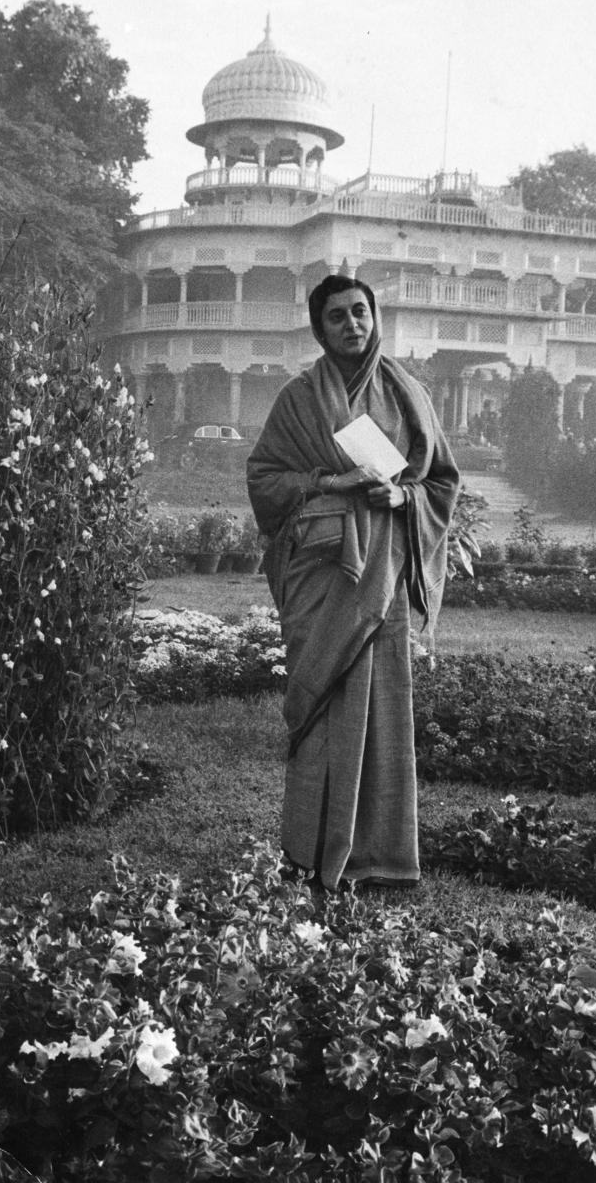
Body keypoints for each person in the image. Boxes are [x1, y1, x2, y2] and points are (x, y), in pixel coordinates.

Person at [246, 276, 460, 890]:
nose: (351, 324)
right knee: (321, 705)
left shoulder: (408, 394)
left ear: (375, 316)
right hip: (321, 574)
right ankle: (308, 850)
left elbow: (442, 482)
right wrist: (325, 481)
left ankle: (380, 854)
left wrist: (402, 493)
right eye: (336, 316)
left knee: (381, 707)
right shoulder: (298, 400)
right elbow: (264, 478)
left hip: (382, 576)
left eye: (360, 312)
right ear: (319, 329)